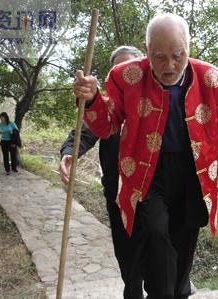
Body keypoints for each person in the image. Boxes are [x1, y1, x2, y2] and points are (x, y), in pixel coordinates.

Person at [73, 14, 218, 299]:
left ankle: (177, 291)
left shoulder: (214, 81)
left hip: (194, 174)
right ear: (146, 50)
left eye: (177, 56)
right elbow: (106, 125)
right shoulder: (125, 77)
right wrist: (92, 98)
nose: (169, 66)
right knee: (155, 232)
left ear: (189, 48)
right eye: (159, 57)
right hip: (147, 173)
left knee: (183, 243)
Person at [60, 46, 144, 299]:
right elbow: (85, 131)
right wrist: (70, 152)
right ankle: (132, 292)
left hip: (152, 192)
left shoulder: (155, 105)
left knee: (154, 249)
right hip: (116, 192)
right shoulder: (108, 108)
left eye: (131, 67)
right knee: (125, 251)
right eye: (119, 70)